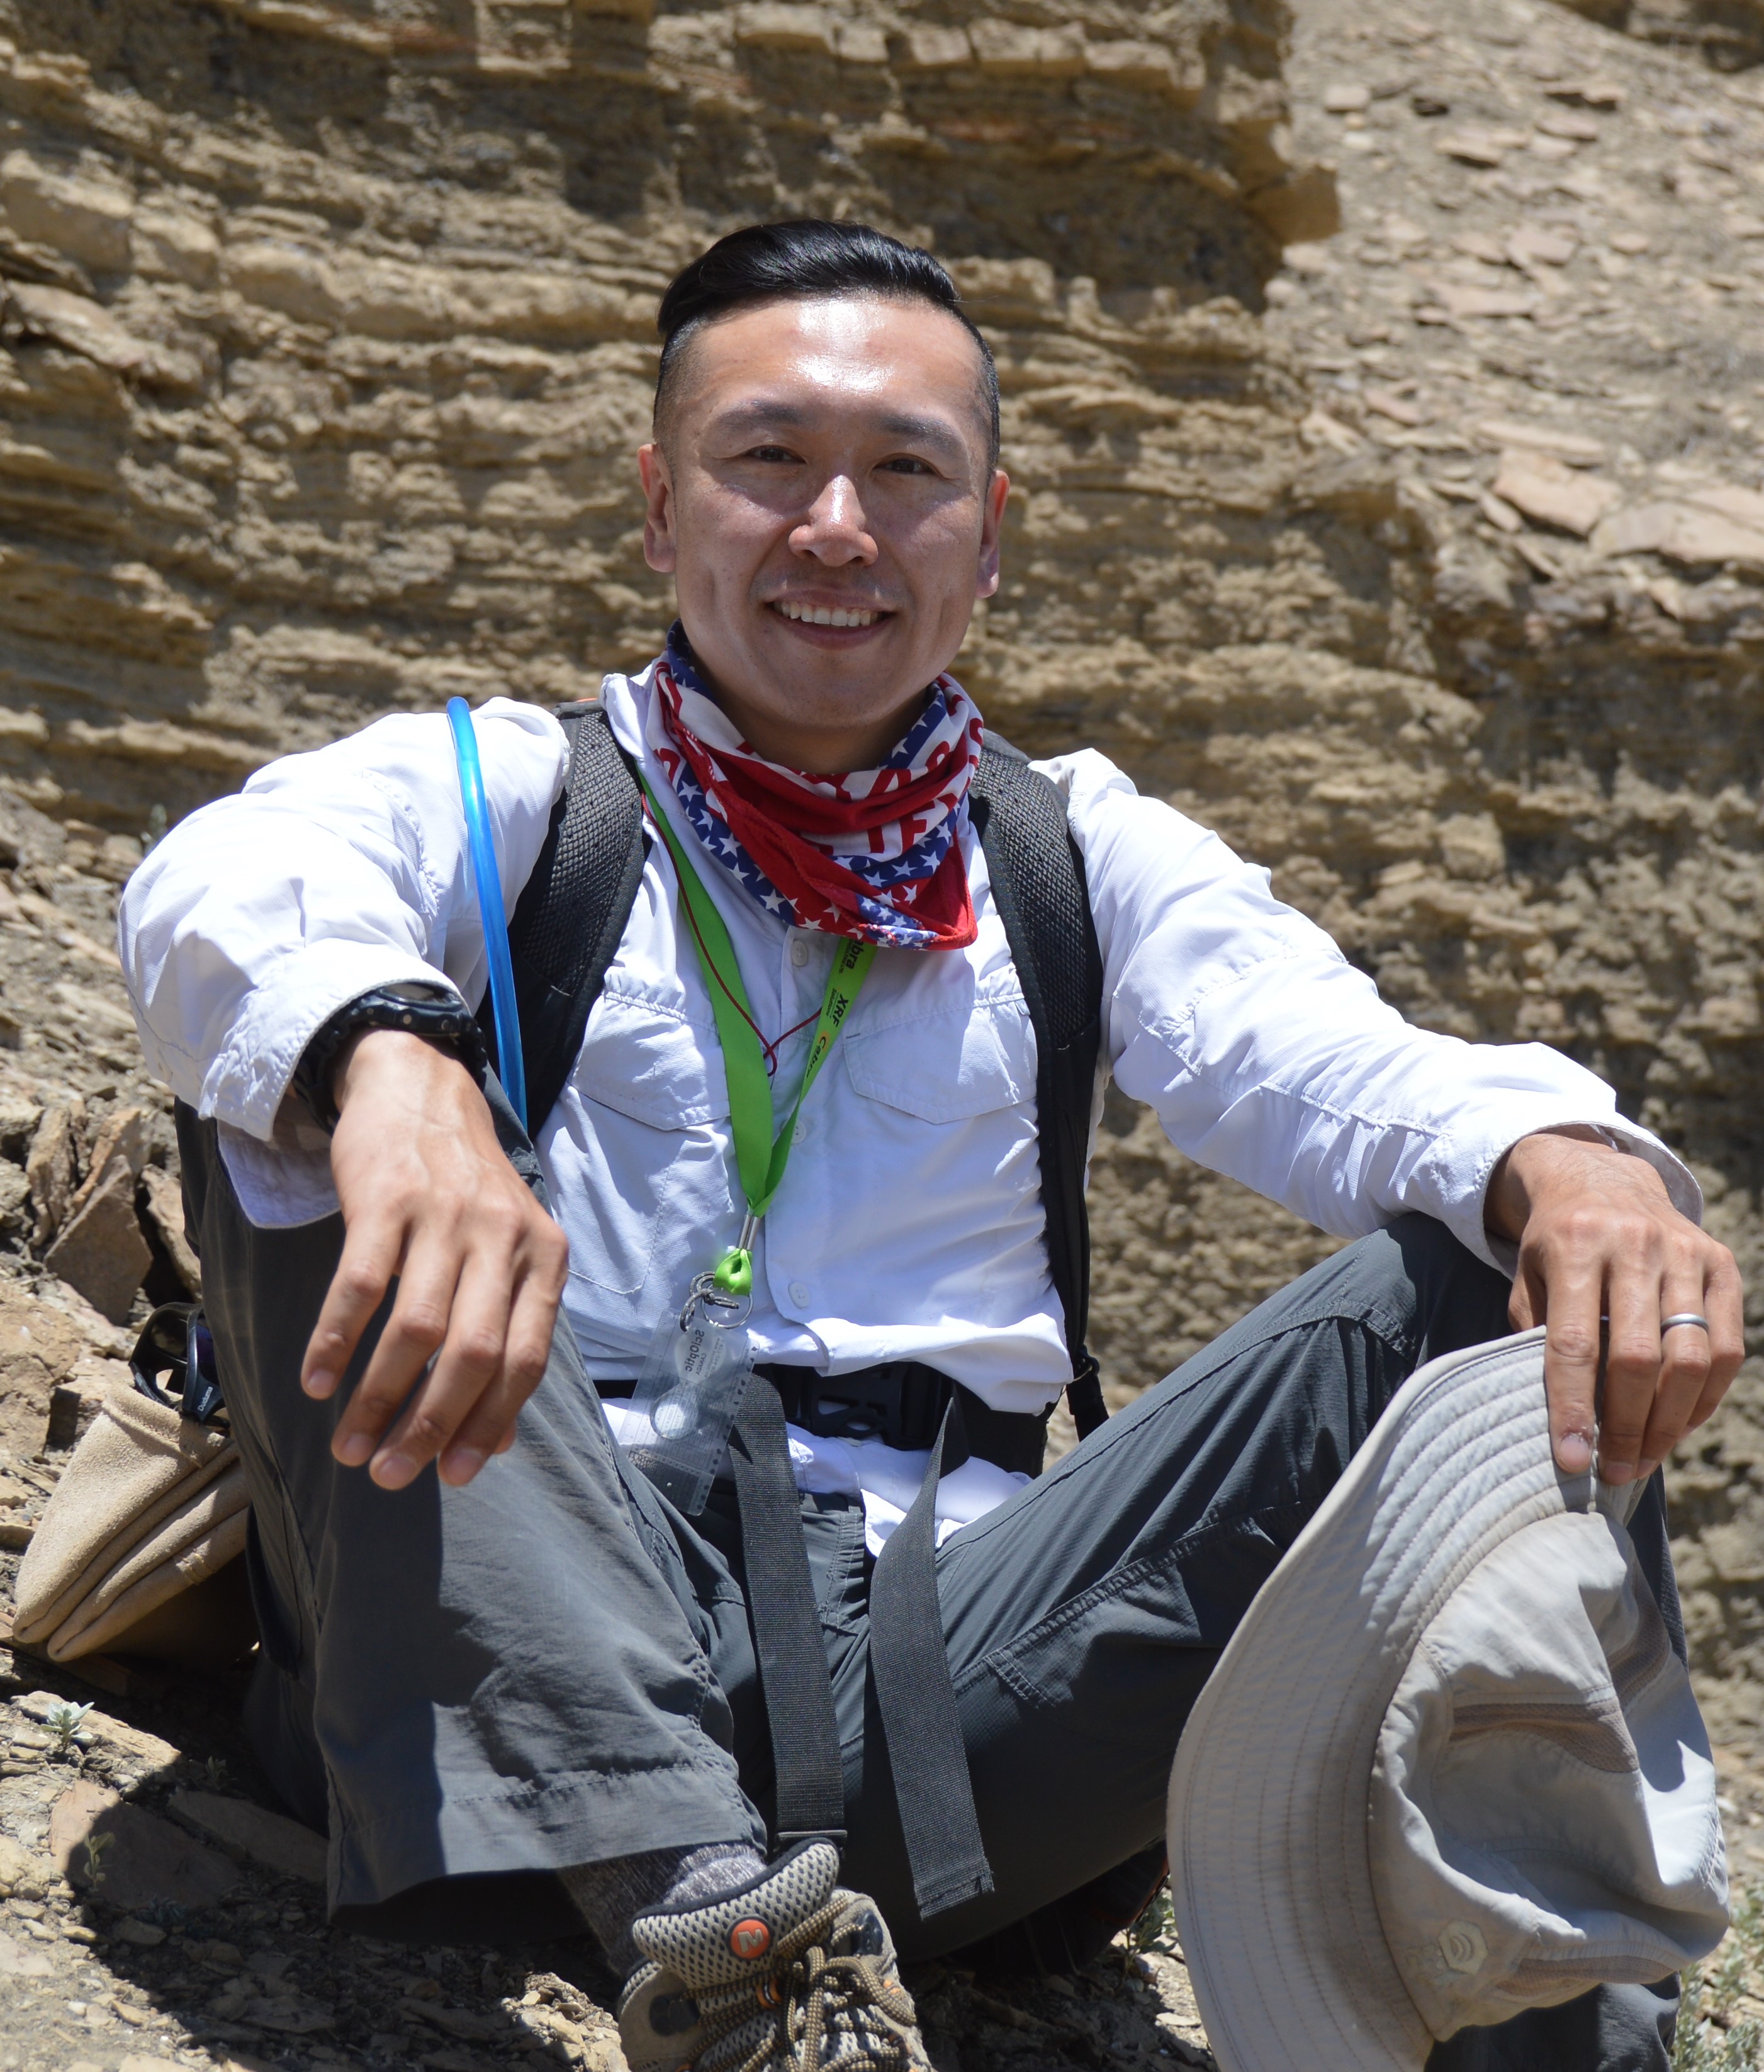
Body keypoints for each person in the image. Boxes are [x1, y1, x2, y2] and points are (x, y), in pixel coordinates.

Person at [120, 220, 1742, 2072]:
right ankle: (720, 1954)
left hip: (934, 1698)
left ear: (989, 531)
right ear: (657, 507)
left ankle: (1551, 2028)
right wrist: (393, 1067)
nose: (835, 528)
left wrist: (1563, 1156)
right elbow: (223, 884)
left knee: (1487, 1279)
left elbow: (1317, 1053)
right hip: (502, 1645)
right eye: (767, 460)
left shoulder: (1065, 854)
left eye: (905, 472)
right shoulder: (510, 792)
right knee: (292, 1094)